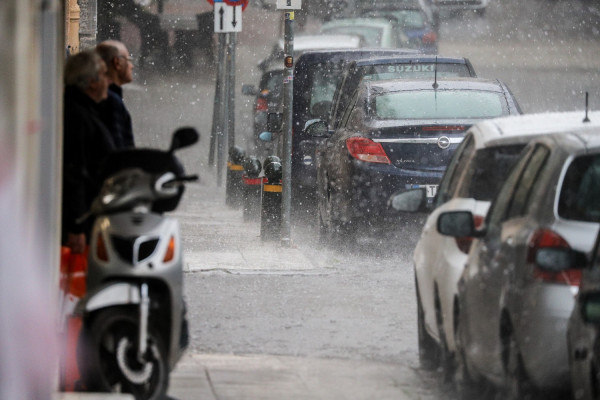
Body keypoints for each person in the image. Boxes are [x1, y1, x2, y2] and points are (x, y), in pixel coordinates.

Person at [62, 49, 114, 253]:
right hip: (84, 219)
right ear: (91, 81)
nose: (107, 82)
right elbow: (74, 171)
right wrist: (77, 226)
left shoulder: (84, 110)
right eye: (103, 75)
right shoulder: (77, 115)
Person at [96, 40, 135, 149]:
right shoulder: (110, 101)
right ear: (117, 63)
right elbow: (119, 152)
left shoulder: (102, 97)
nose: (132, 66)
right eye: (129, 60)